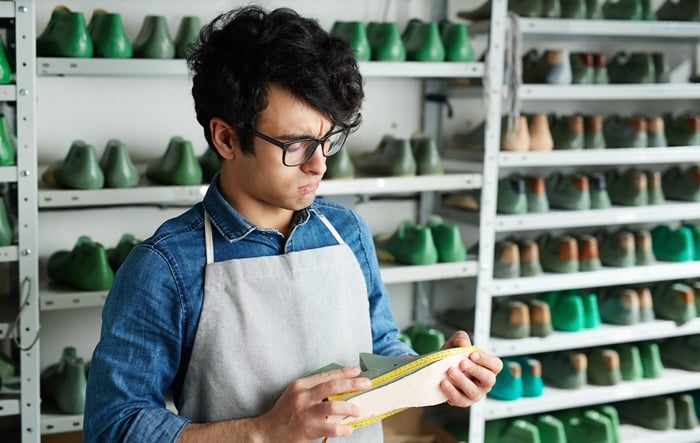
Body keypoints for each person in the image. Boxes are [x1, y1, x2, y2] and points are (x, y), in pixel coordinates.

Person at [84, 5, 503, 443]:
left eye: (327, 139)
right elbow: (113, 425)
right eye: (297, 144)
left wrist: (433, 373)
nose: (319, 165)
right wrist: (263, 432)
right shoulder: (165, 266)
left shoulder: (347, 232)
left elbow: (378, 350)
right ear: (226, 137)